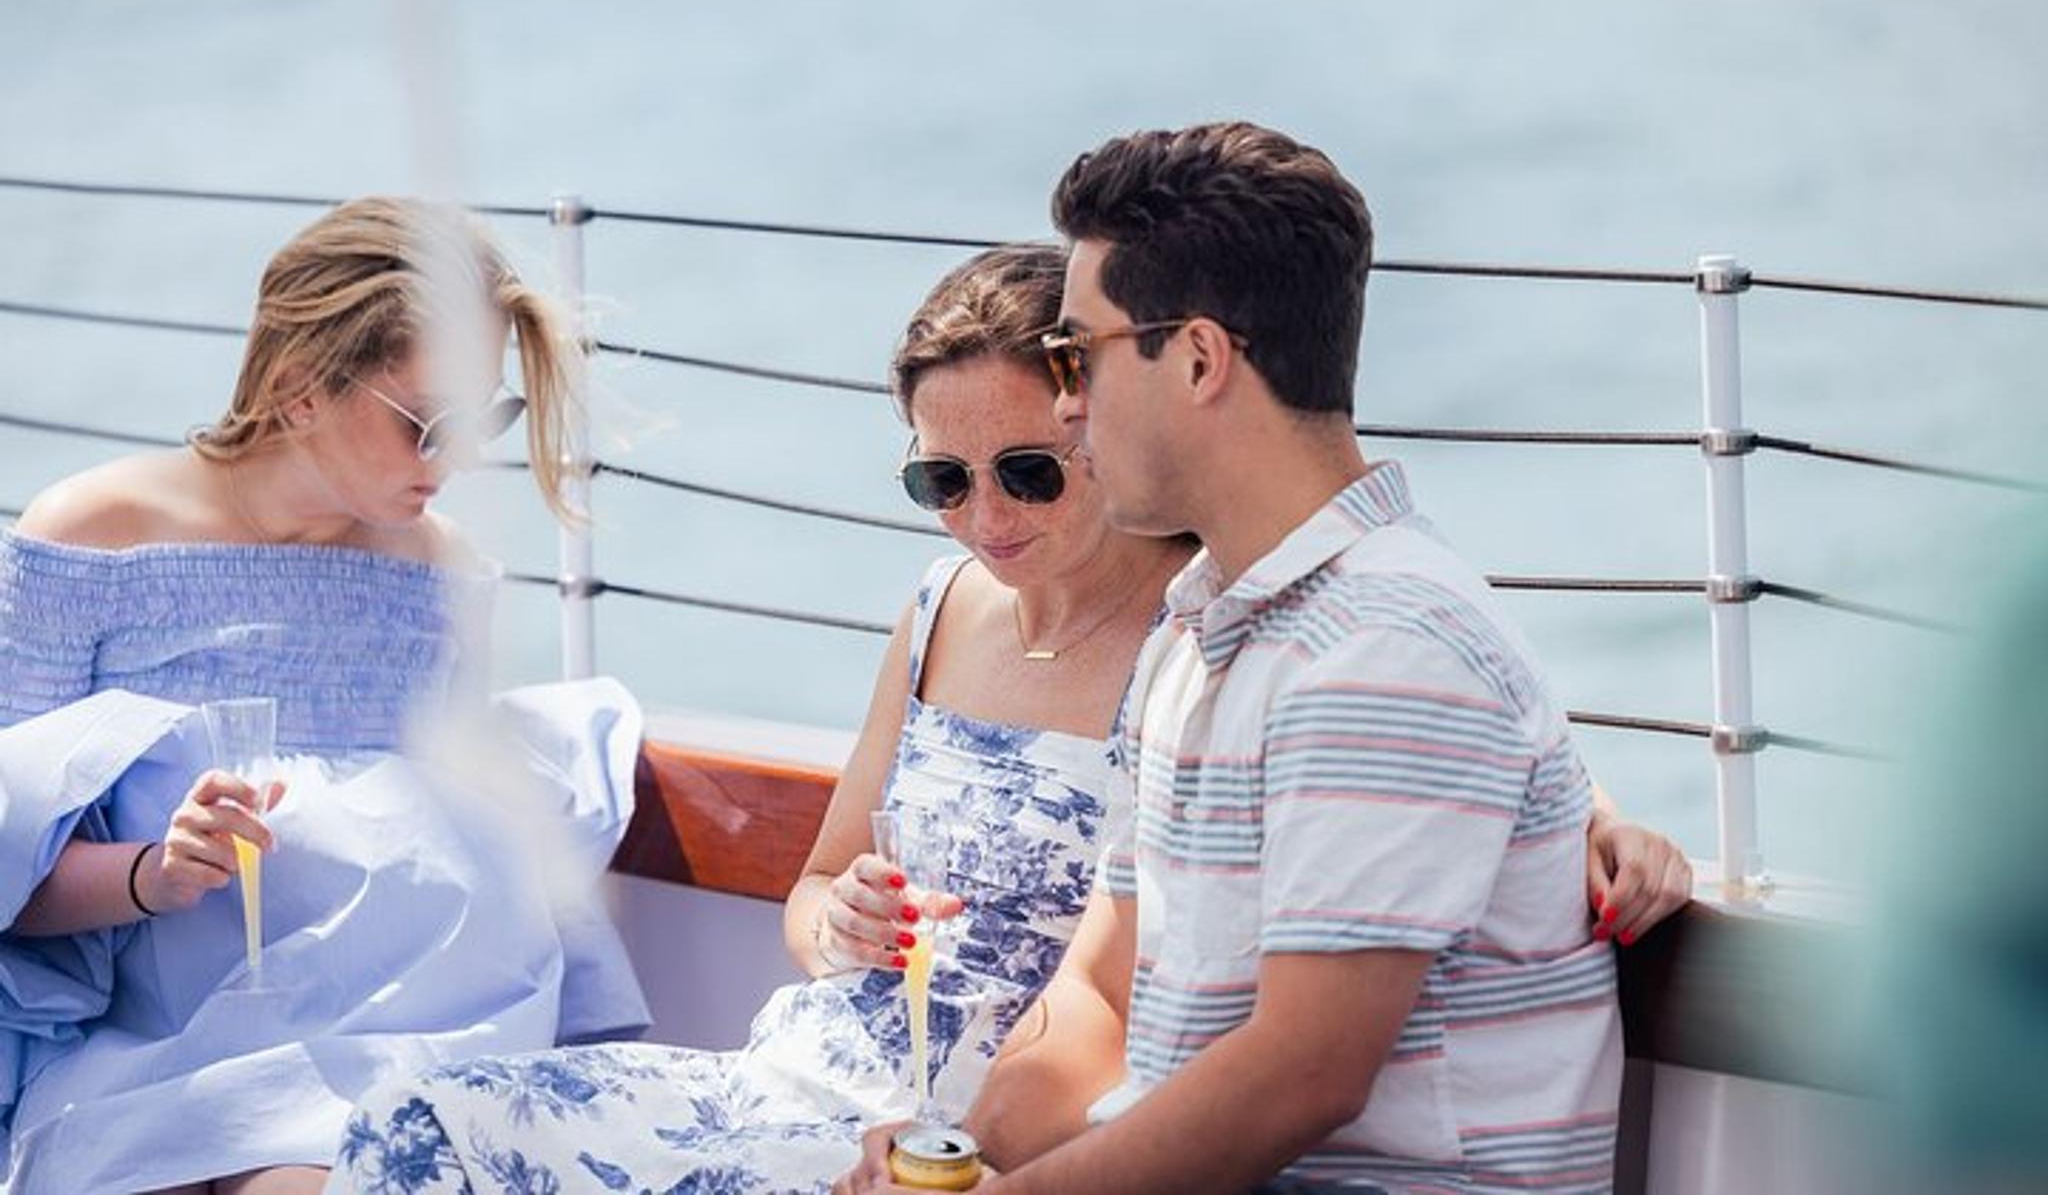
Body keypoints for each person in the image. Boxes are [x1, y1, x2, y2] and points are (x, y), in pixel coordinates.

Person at [332, 244, 1686, 1194]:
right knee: (408, 1133)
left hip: (968, 1124)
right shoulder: (938, 612)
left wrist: (1601, 811)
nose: (986, 519)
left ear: (1100, 420)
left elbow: (1414, 703)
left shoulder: (1204, 629)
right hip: (793, 1069)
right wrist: (836, 919)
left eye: (1030, 470)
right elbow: (811, 898)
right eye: (943, 478)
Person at [842, 122, 1629, 1194]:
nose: (1065, 403)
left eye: (1077, 356)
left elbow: (1299, 1079)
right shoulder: (1200, 634)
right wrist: (960, 1165)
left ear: (1201, 359)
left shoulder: (1382, 649)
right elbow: (1101, 1005)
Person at [0, 197, 647, 1195]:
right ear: (301, 393)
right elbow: (7, 870)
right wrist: (154, 874)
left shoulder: (444, 579)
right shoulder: (93, 535)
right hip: (146, 1052)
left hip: (391, 1046)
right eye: (429, 423)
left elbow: (434, 878)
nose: (461, 461)